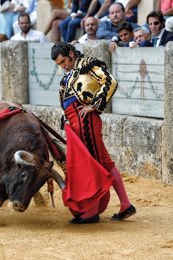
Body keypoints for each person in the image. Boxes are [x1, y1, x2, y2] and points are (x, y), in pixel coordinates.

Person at [50, 42, 136, 224]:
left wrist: (94, 105)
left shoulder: (88, 64)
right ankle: (123, 205)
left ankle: (93, 211)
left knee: (95, 163)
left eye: (64, 61)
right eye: (59, 64)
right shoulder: (69, 73)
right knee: (97, 161)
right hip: (75, 122)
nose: (63, 66)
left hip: (86, 121)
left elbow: (111, 82)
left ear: (71, 54)